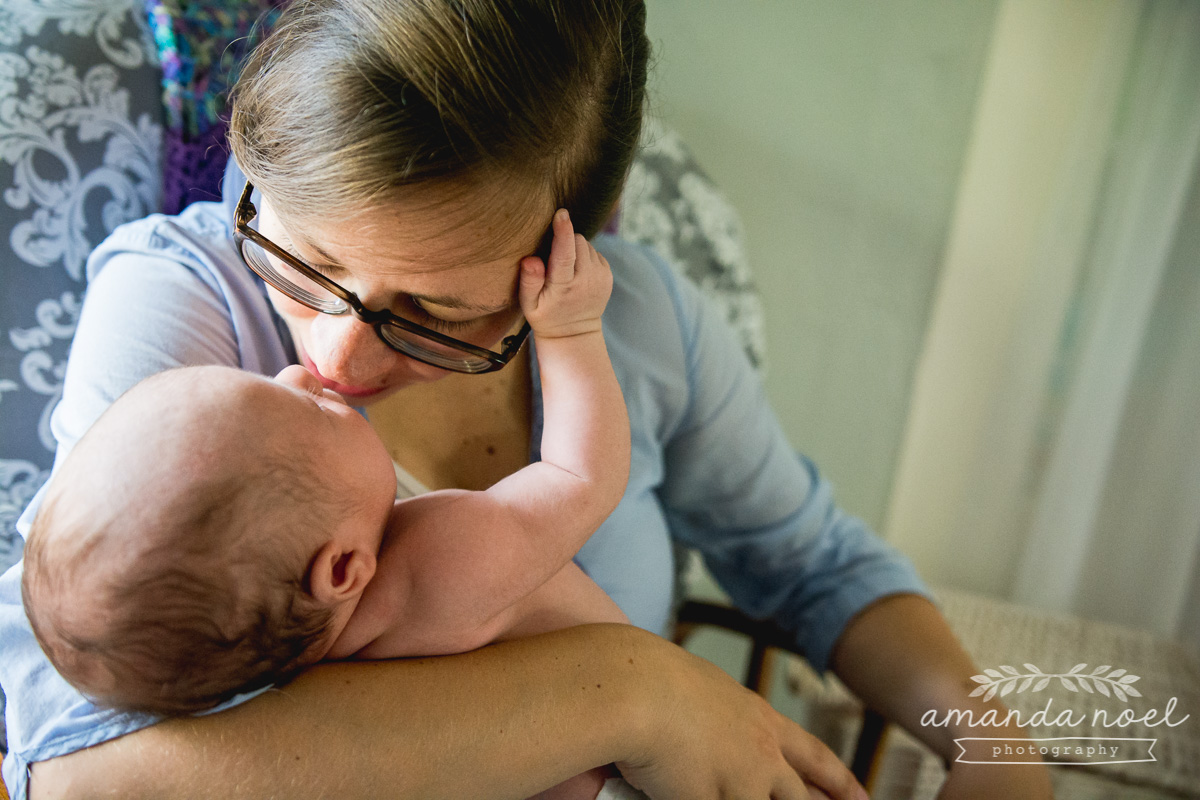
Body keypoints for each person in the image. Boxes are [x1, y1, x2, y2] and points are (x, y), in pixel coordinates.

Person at [0, 1, 1052, 799]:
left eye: (438, 307)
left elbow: (814, 564)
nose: (337, 351)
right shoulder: (187, 301)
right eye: (306, 254)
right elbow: (80, 758)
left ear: (567, 251)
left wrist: (997, 748)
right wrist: (636, 690)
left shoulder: (637, 324)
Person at [22, 218, 630, 800]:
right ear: (341, 570)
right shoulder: (437, 563)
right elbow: (579, 477)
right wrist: (571, 333)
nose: (299, 374)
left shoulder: (265, 664)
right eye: (312, 411)